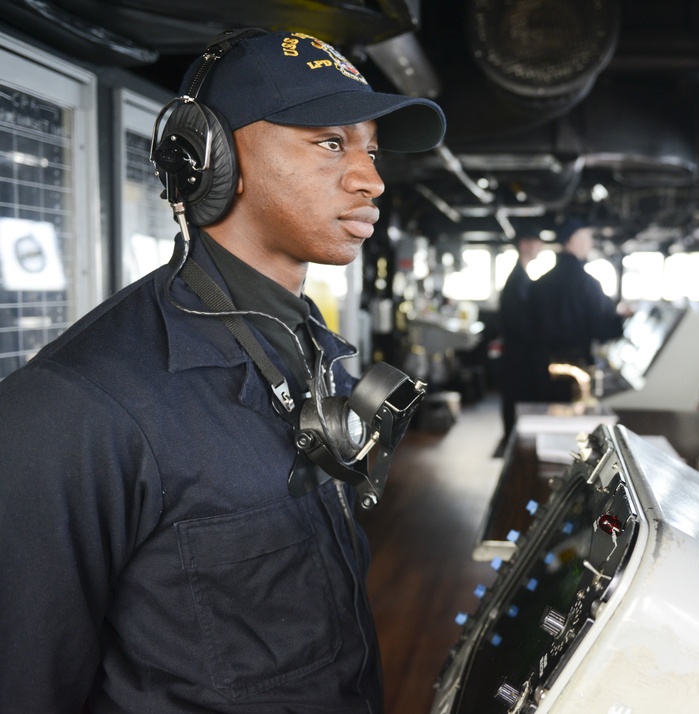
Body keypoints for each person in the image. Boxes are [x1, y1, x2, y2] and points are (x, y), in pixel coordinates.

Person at [0, 29, 444, 712]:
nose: (371, 179)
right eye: (330, 143)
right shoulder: (77, 409)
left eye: (372, 150)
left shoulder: (310, 349)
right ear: (207, 157)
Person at [529, 220, 624, 402]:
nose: (590, 243)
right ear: (572, 240)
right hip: (577, 371)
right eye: (587, 237)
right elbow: (602, 329)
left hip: (542, 369)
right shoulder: (588, 284)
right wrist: (622, 320)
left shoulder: (539, 284)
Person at [499, 233, 544, 440]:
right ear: (524, 244)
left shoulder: (521, 277)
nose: (541, 246)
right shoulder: (517, 281)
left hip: (518, 354)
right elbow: (520, 324)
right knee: (516, 404)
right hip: (518, 356)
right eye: (537, 242)